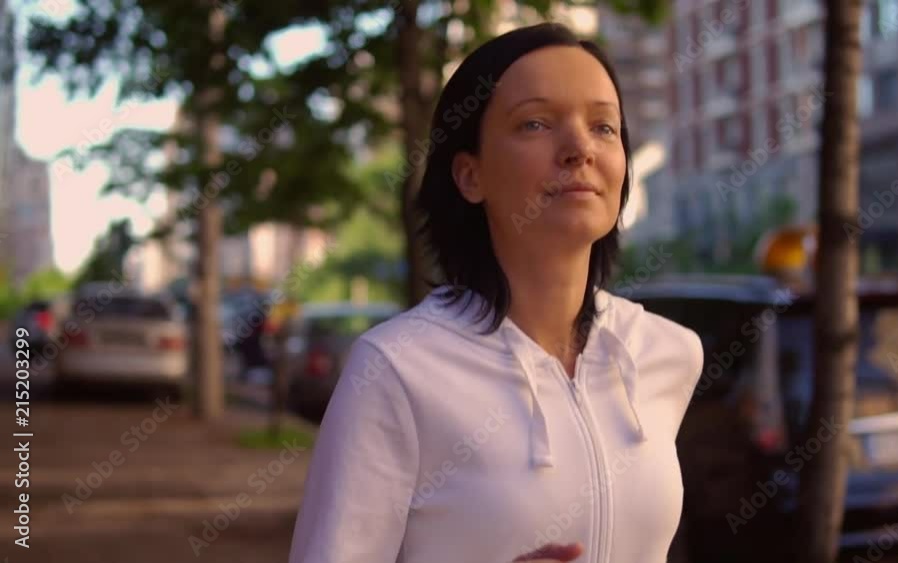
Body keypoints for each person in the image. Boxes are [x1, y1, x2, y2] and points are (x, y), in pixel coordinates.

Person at [288, 22, 704, 563]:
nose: (580, 148)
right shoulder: (398, 370)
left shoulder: (666, 353)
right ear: (470, 175)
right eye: (535, 123)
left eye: (604, 126)